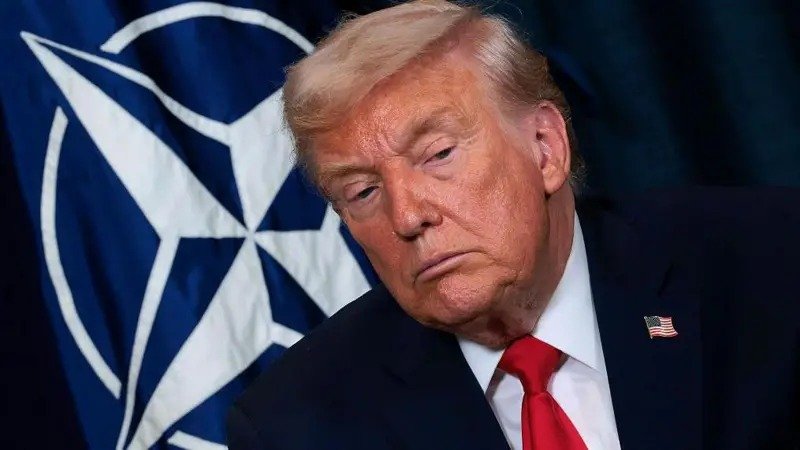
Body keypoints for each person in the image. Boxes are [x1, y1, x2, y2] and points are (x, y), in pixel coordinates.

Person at [227, 1, 800, 449]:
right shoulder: (298, 423)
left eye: (438, 155)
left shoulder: (773, 264)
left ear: (545, 147)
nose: (406, 217)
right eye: (363, 191)